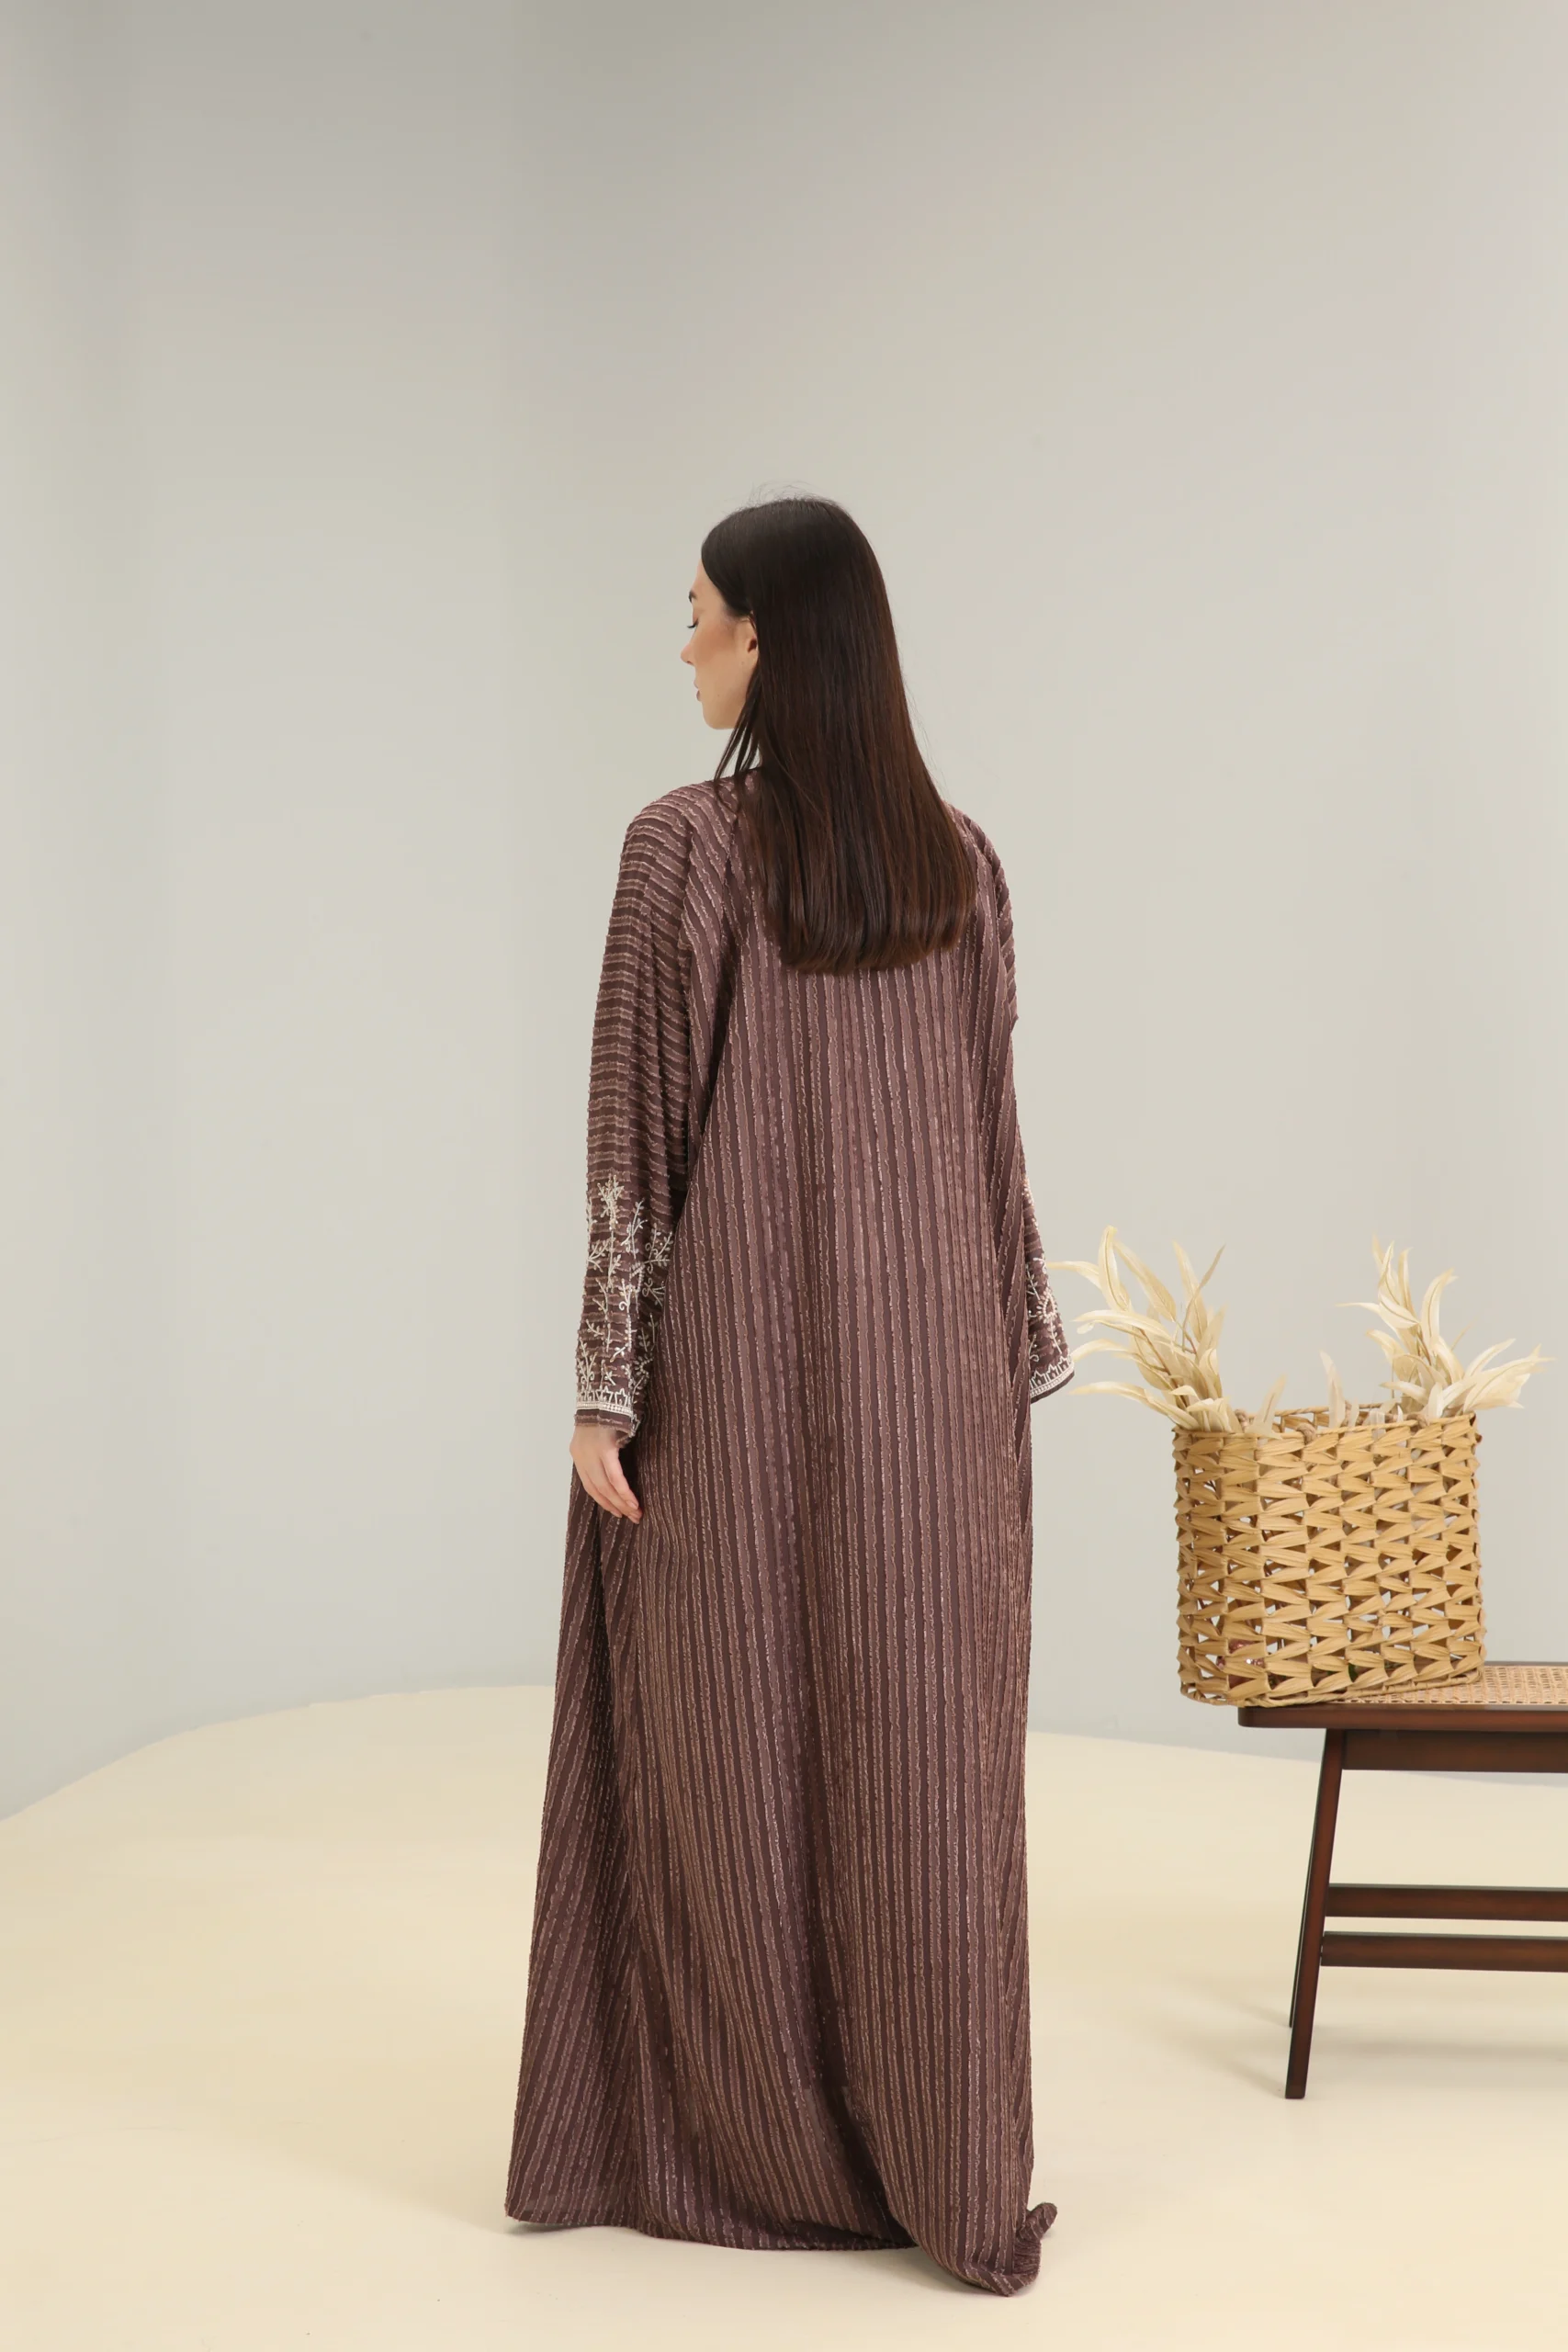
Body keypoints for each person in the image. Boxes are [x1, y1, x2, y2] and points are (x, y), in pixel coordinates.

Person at [503, 494, 1073, 2297]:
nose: (679, 644)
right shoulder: (958, 862)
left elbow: (635, 1143)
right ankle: (936, 2159)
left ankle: (740, 2150)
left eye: (695, 612)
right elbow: (991, 1146)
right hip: (941, 1406)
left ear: (763, 638)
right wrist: (1014, 1359)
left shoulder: (681, 848)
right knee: (923, 1771)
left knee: (720, 1756)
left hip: (735, 1391)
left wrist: (604, 1389)